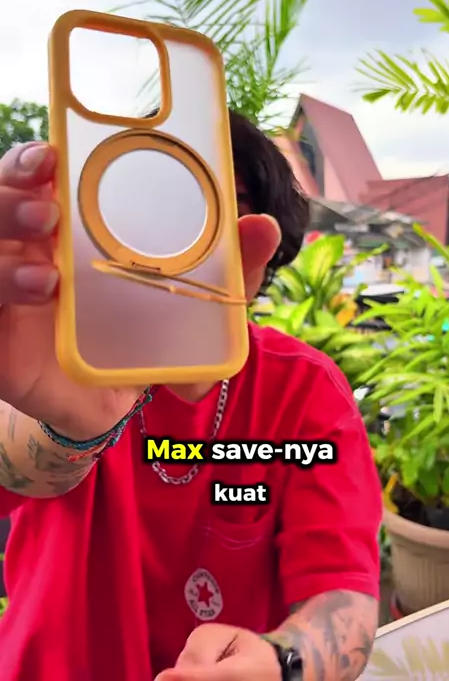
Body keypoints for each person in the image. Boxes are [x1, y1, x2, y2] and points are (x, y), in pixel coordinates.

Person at [0, 111, 382, 681]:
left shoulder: (304, 392)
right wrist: (70, 430)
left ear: (261, 244)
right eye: (152, 199)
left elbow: (343, 597)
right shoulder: (57, 356)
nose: (180, 234)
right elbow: (18, 461)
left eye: (217, 204)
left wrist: (281, 663)